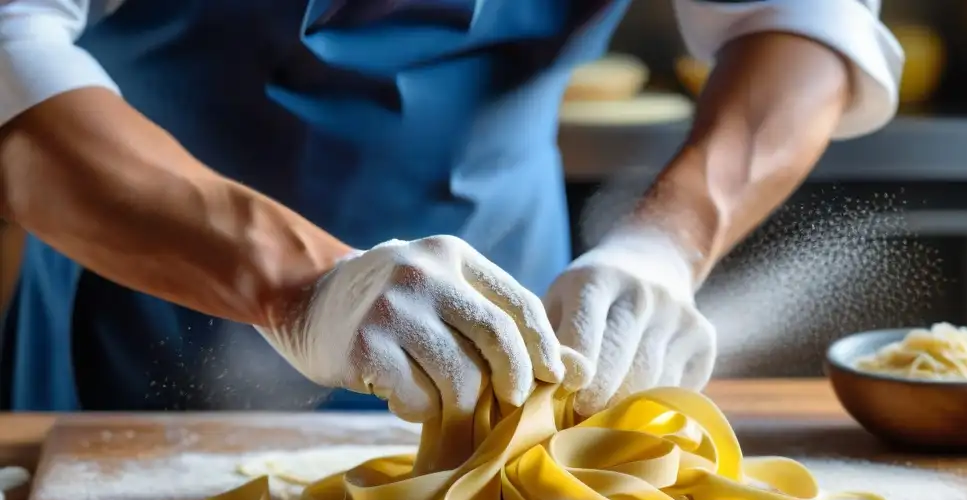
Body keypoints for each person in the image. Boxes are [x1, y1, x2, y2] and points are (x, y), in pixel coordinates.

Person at [0, 0, 901, 425]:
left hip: (512, 282)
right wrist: (303, 286)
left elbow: (797, 20)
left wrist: (669, 240)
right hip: (136, 288)